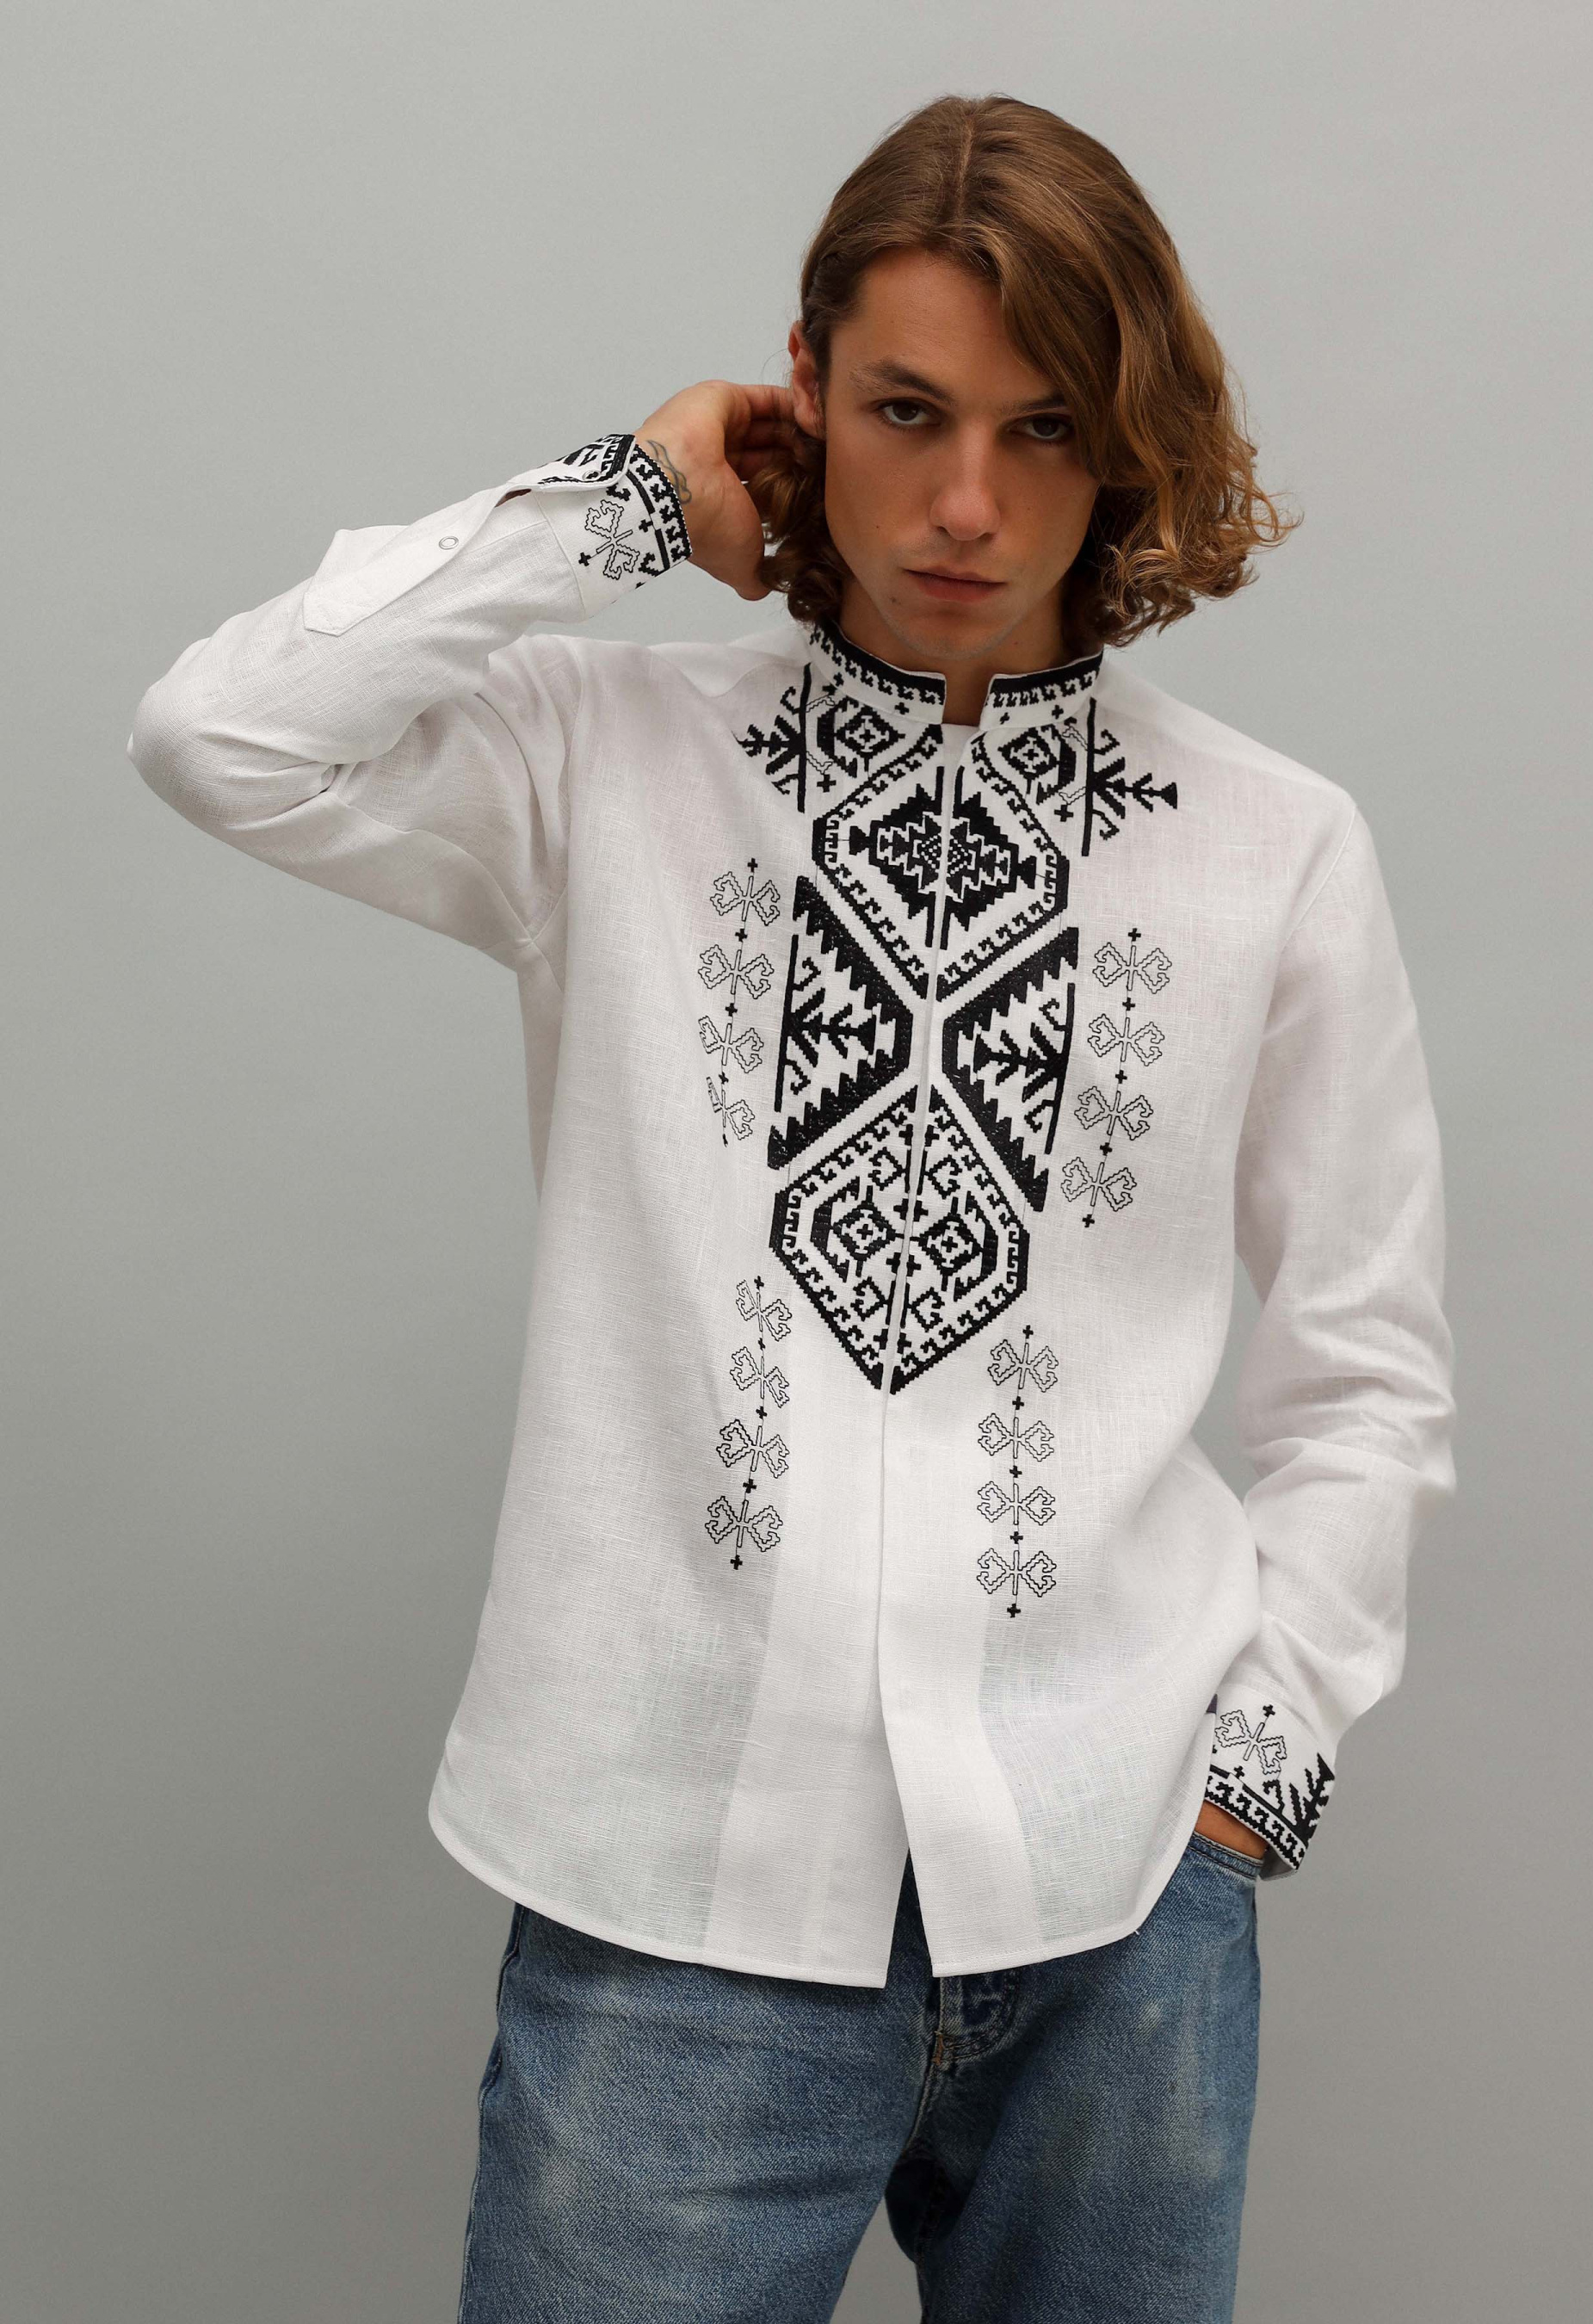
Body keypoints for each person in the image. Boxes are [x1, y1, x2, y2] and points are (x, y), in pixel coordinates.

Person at [129, 90, 1455, 2324]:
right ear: (805, 391)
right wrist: (631, 497)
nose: (966, 502)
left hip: (1119, 1905)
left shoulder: (1270, 847)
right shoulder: (600, 764)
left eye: (1044, 428)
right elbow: (221, 734)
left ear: (1126, 441)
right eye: (907, 410)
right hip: (673, 1903)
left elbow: (1366, 1357)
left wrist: (1257, 1767)